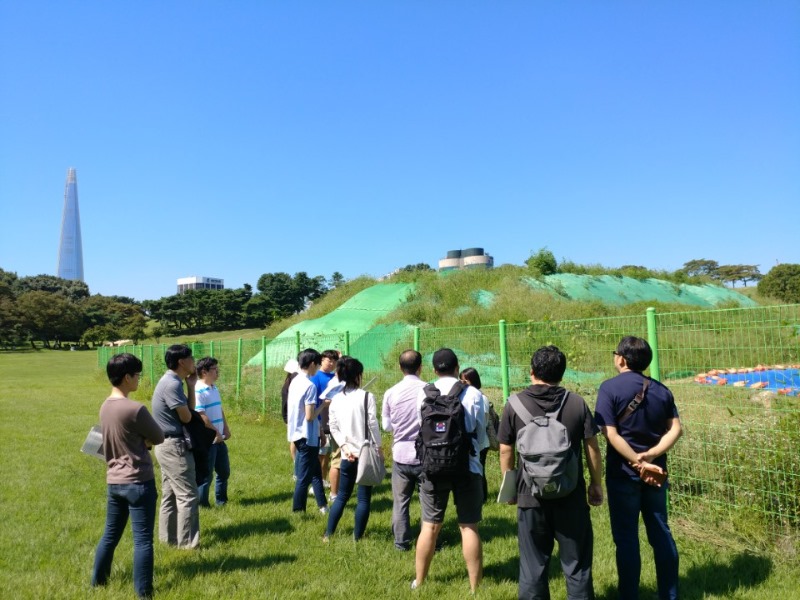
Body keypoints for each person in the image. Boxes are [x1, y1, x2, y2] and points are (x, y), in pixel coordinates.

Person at [498, 345, 603, 600]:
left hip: (530, 497)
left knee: (533, 568)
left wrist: (510, 488)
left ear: (532, 371)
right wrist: (596, 484)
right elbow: (592, 448)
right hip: (571, 495)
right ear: (562, 373)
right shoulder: (576, 403)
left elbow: (505, 451)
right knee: (577, 567)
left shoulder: (513, 405)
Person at [594, 336, 682, 600]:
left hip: (623, 474)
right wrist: (651, 456)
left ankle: (629, 595)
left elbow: (611, 434)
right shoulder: (662, 390)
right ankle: (669, 594)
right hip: (656, 474)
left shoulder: (609, 389)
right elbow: (676, 429)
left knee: (626, 538)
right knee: (661, 532)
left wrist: (636, 460)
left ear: (621, 358)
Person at [412, 348, 487, 593]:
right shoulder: (474, 394)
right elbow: (482, 436)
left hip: (432, 468)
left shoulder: (421, 394)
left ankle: (420, 581)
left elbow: (419, 431)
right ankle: (475, 587)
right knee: (468, 526)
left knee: (430, 526)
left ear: (434, 370)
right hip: (468, 467)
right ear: (457, 367)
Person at [92, 353, 164, 599]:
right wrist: (144, 440)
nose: (139, 380)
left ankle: (97, 582)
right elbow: (159, 436)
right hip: (139, 482)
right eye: (137, 375)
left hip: (114, 482)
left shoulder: (104, 406)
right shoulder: (135, 408)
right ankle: (144, 593)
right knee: (143, 540)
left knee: (110, 534)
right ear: (127, 377)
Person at [324, 356, 382, 541]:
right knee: (364, 498)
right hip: (365, 453)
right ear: (358, 375)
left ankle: (328, 534)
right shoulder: (367, 397)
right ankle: (357, 537)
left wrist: (344, 446)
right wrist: (379, 447)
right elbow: (372, 424)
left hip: (347, 455)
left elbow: (333, 426)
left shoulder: (336, 399)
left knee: (342, 496)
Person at [151, 344, 200, 549]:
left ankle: (168, 540)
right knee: (188, 495)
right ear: (182, 362)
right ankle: (188, 545)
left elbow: (187, 411)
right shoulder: (172, 385)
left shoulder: (170, 381)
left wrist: (190, 386)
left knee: (170, 494)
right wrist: (187, 388)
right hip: (174, 447)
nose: (194, 362)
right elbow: (187, 416)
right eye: (191, 358)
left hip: (165, 444)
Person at [381, 349, 427, 551]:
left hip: (400, 454)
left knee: (400, 502)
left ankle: (401, 542)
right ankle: (429, 541)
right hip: (425, 455)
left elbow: (386, 426)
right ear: (420, 367)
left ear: (400, 367)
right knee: (428, 503)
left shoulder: (391, 392)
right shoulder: (429, 390)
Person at [287, 348, 329, 513]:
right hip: (306, 435)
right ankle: (298, 510)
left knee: (316, 473)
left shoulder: (295, 381)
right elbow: (310, 415)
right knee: (304, 477)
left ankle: (323, 506)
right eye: (318, 365)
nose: (318, 368)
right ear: (312, 364)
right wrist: (323, 405)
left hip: (297, 433)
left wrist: (320, 432)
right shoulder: (309, 385)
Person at [195, 357, 231, 508]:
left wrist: (225, 427)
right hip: (208, 439)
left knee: (224, 471)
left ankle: (221, 501)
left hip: (219, 437)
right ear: (204, 372)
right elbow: (201, 415)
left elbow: (219, 408)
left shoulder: (213, 387)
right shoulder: (198, 390)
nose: (218, 372)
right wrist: (215, 432)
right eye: (215, 369)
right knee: (206, 475)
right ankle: (202, 504)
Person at [459, 367, 493, 504]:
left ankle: (483, 497)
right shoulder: (466, 395)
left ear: (473, 380)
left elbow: (483, 422)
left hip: (481, 442)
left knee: (480, 471)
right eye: (461, 379)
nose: (462, 382)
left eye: (465, 380)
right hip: (474, 441)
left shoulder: (481, 397)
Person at [311, 349, 340, 489]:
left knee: (329, 452)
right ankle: (317, 481)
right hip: (321, 418)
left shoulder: (335, 377)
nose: (332, 363)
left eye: (334, 361)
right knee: (322, 452)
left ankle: (324, 479)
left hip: (334, 419)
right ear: (322, 360)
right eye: (329, 360)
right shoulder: (316, 377)